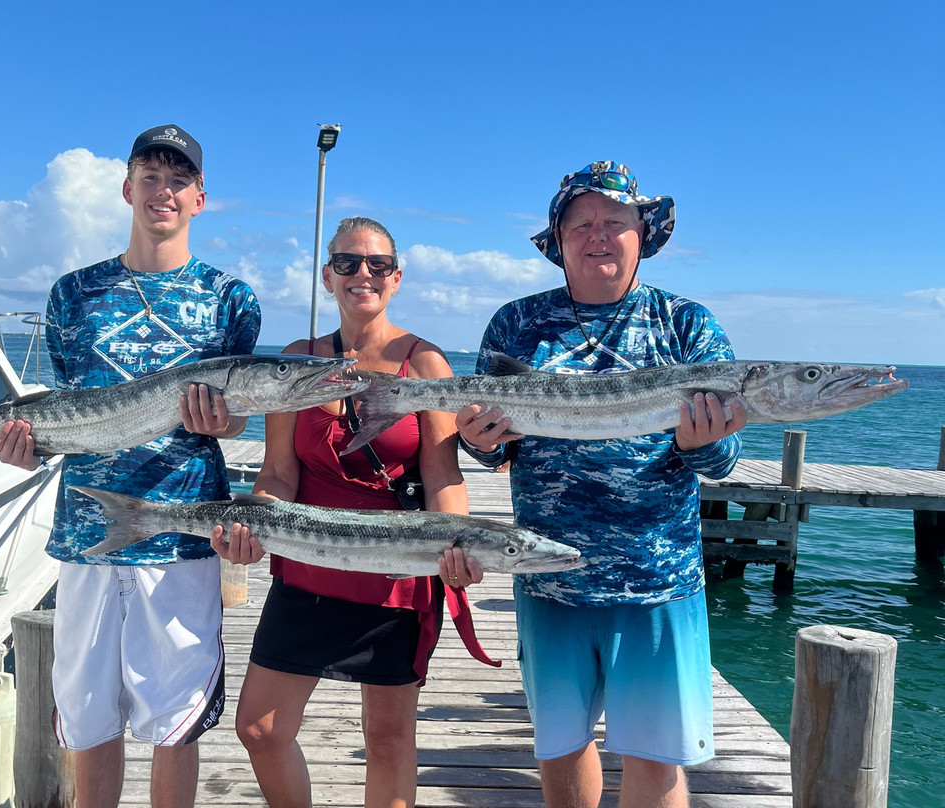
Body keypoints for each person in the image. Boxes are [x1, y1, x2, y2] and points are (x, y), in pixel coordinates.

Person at [454, 162, 747, 808]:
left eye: (615, 220)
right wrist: (479, 439)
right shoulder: (516, 324)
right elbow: (491, 450)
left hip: (657, 581)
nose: (598, 234)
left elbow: (724, 460)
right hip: (548, 575)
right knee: (561, 751)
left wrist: (704, 442)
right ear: (557, 239)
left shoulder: (686, 325)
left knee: (657, 762)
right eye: (581, 223)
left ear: (644, 233)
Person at [0, 124, 262, 808]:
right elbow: (65, 414)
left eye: (178, 179)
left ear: (200, 198)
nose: (163, 190)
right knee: (87, 719)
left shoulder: (232, 299)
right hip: (85, 532)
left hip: (182, 535)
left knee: (177, 723)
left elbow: (238, 413)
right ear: (127, 188)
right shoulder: (72, 293)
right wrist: (26, 448)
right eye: (150, 175)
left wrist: (224, 422)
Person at [212, 216, 495, 808]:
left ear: (397, 278)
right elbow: (278, 473)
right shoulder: (297, 360)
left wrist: (461, 546)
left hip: (396, 573)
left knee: (388, 738)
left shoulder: (425, 363)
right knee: (260, 728)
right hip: (306, 567)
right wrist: (256, 524)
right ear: (327, 276)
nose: (362, 274)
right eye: (347, 262)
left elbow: (443, 474)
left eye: (378, 264)